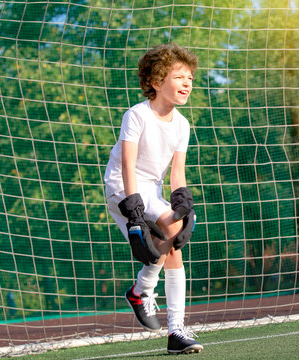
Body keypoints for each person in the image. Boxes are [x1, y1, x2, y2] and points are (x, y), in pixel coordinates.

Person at [104, 43, 202, 355]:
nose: (187, 83)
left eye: (190, 78)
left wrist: (183, 206)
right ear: (157, 81)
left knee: (172, 243)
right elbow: (127, 165)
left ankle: (171, 327)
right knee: (167, 233)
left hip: (152, 189)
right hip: (123, 187)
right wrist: (133, 210)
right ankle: (146, 296)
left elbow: (177, 175)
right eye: (179, 76)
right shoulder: (136, 115)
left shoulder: (183, 125)